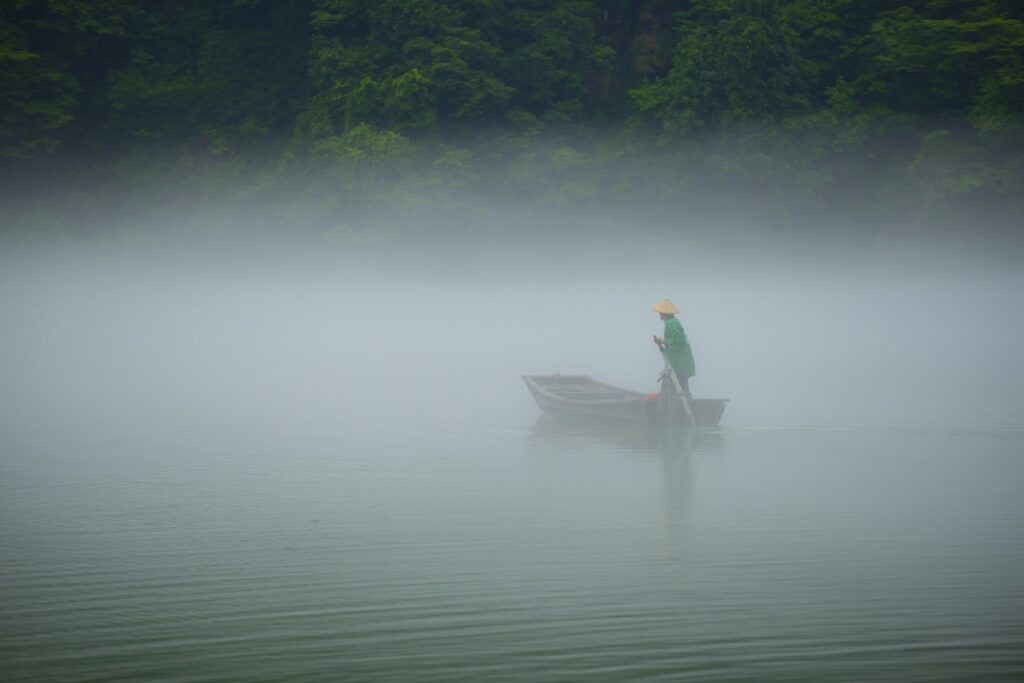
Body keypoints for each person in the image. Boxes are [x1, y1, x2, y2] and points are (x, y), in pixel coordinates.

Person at [652, 299, 695, 398]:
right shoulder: (672, 323)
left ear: (664, 313)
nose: (659, 314)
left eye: (660, 312)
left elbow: (678, 341)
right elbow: (674, 340)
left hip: (679, 362)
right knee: (683, 387)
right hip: (681, 362)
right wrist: (662, 341)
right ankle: (687, 407)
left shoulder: (672, 323)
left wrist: (663, 341)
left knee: (668, 386)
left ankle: (670, 410)